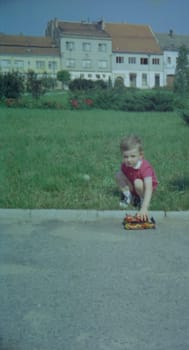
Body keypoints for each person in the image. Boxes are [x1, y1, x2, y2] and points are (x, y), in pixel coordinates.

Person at [115, 135, 158, 220]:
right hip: (133, 186)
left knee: (138, 182)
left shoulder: (145, 167)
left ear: (140, 155)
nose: (129, 160)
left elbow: (149, 188)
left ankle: (142, 202)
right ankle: (128, 197)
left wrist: (145, 208)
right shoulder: (125, 165)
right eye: (125, 157)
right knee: (119, 174)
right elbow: (124, 177)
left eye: (132, 156)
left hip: (143, 189)